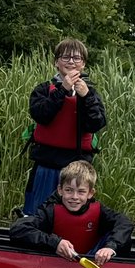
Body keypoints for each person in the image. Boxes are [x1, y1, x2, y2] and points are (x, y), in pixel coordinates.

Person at [23, 38, 107, 215]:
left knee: (72, 216)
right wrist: (62, 90)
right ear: (56, 62)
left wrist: (86, 97)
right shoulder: (44, 89)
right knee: (38, 213)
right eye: (66, 57)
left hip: (77, 167)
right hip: (47, 163)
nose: (71, 61)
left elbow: (96, 123)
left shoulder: (90, 93)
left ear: (83, 64)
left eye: (76, 58)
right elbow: (41, 115)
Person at [10, 161, 133, 264]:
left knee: (124, 239)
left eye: (81, 192)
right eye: (69, 190)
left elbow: (125, 223)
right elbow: (18, 228)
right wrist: (55, 243)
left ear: (90, 193)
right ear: (60, 190)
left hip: (92, 261)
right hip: (56, 264)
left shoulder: (99, 211)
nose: (74, 197)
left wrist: (110, 247)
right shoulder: (49, 211)